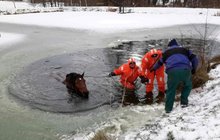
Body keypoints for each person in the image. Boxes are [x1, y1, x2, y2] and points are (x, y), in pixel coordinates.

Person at [151, 39, 198, 113]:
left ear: (169, 46)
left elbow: (159, 63)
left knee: (171, 90)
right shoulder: (185, 50)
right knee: (188, 85)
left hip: (172, 72)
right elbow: (194, 58)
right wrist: (194, 69)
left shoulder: (166, 52)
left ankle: (168, 109)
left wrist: (153, 69)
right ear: (177, 44)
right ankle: (184, 103)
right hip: (185, 70)